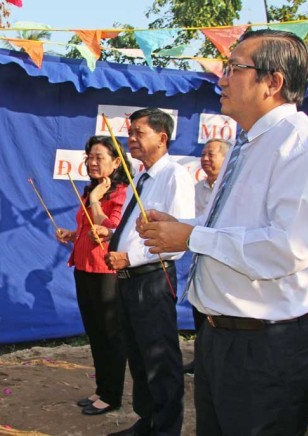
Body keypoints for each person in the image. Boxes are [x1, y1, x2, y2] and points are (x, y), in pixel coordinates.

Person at [136, 29, 308, 435]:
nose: (221, 78)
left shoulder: (303, 142)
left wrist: (191, 238)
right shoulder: (247, 143)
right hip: (220, 338)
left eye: (234, 68)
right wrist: (181, 227)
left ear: (273, 82)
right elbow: (230, 229)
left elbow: (287, 248)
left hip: (268, 347)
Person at [95, 108, 195, 435]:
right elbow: (136, 228)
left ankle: (166, 428)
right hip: (129, 281)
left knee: (159, 360)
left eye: (139, 133)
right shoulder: (141, 175)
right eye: (130, 132)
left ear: (162, 138)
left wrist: (130, 258)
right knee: (138, 357)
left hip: (152, 279)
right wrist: (114, 237)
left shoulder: (174, 175)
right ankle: (147, 420)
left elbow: (177, 237)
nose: (131, 139)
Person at [55, 136, 131, 416]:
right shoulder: (91, 191)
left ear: (116, 161)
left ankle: (112, 395)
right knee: (96, 333)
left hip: (106, 272)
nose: (93, 162)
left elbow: (110, 229)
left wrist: (97, 202)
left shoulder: (122, 191)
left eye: (99, 157)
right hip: (83, 268)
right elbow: (87, 230)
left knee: (110, 334)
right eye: (90, 157)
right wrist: (71, 234)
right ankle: (102, 389)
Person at [184, 138, 230, 375]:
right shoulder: (197, 188)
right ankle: (200, 360)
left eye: (211, 155)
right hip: (199, 260)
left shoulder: (231, 189)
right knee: (199, 312)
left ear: (226, 158)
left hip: (223, 263)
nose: (205, 159)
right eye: (203, 154)